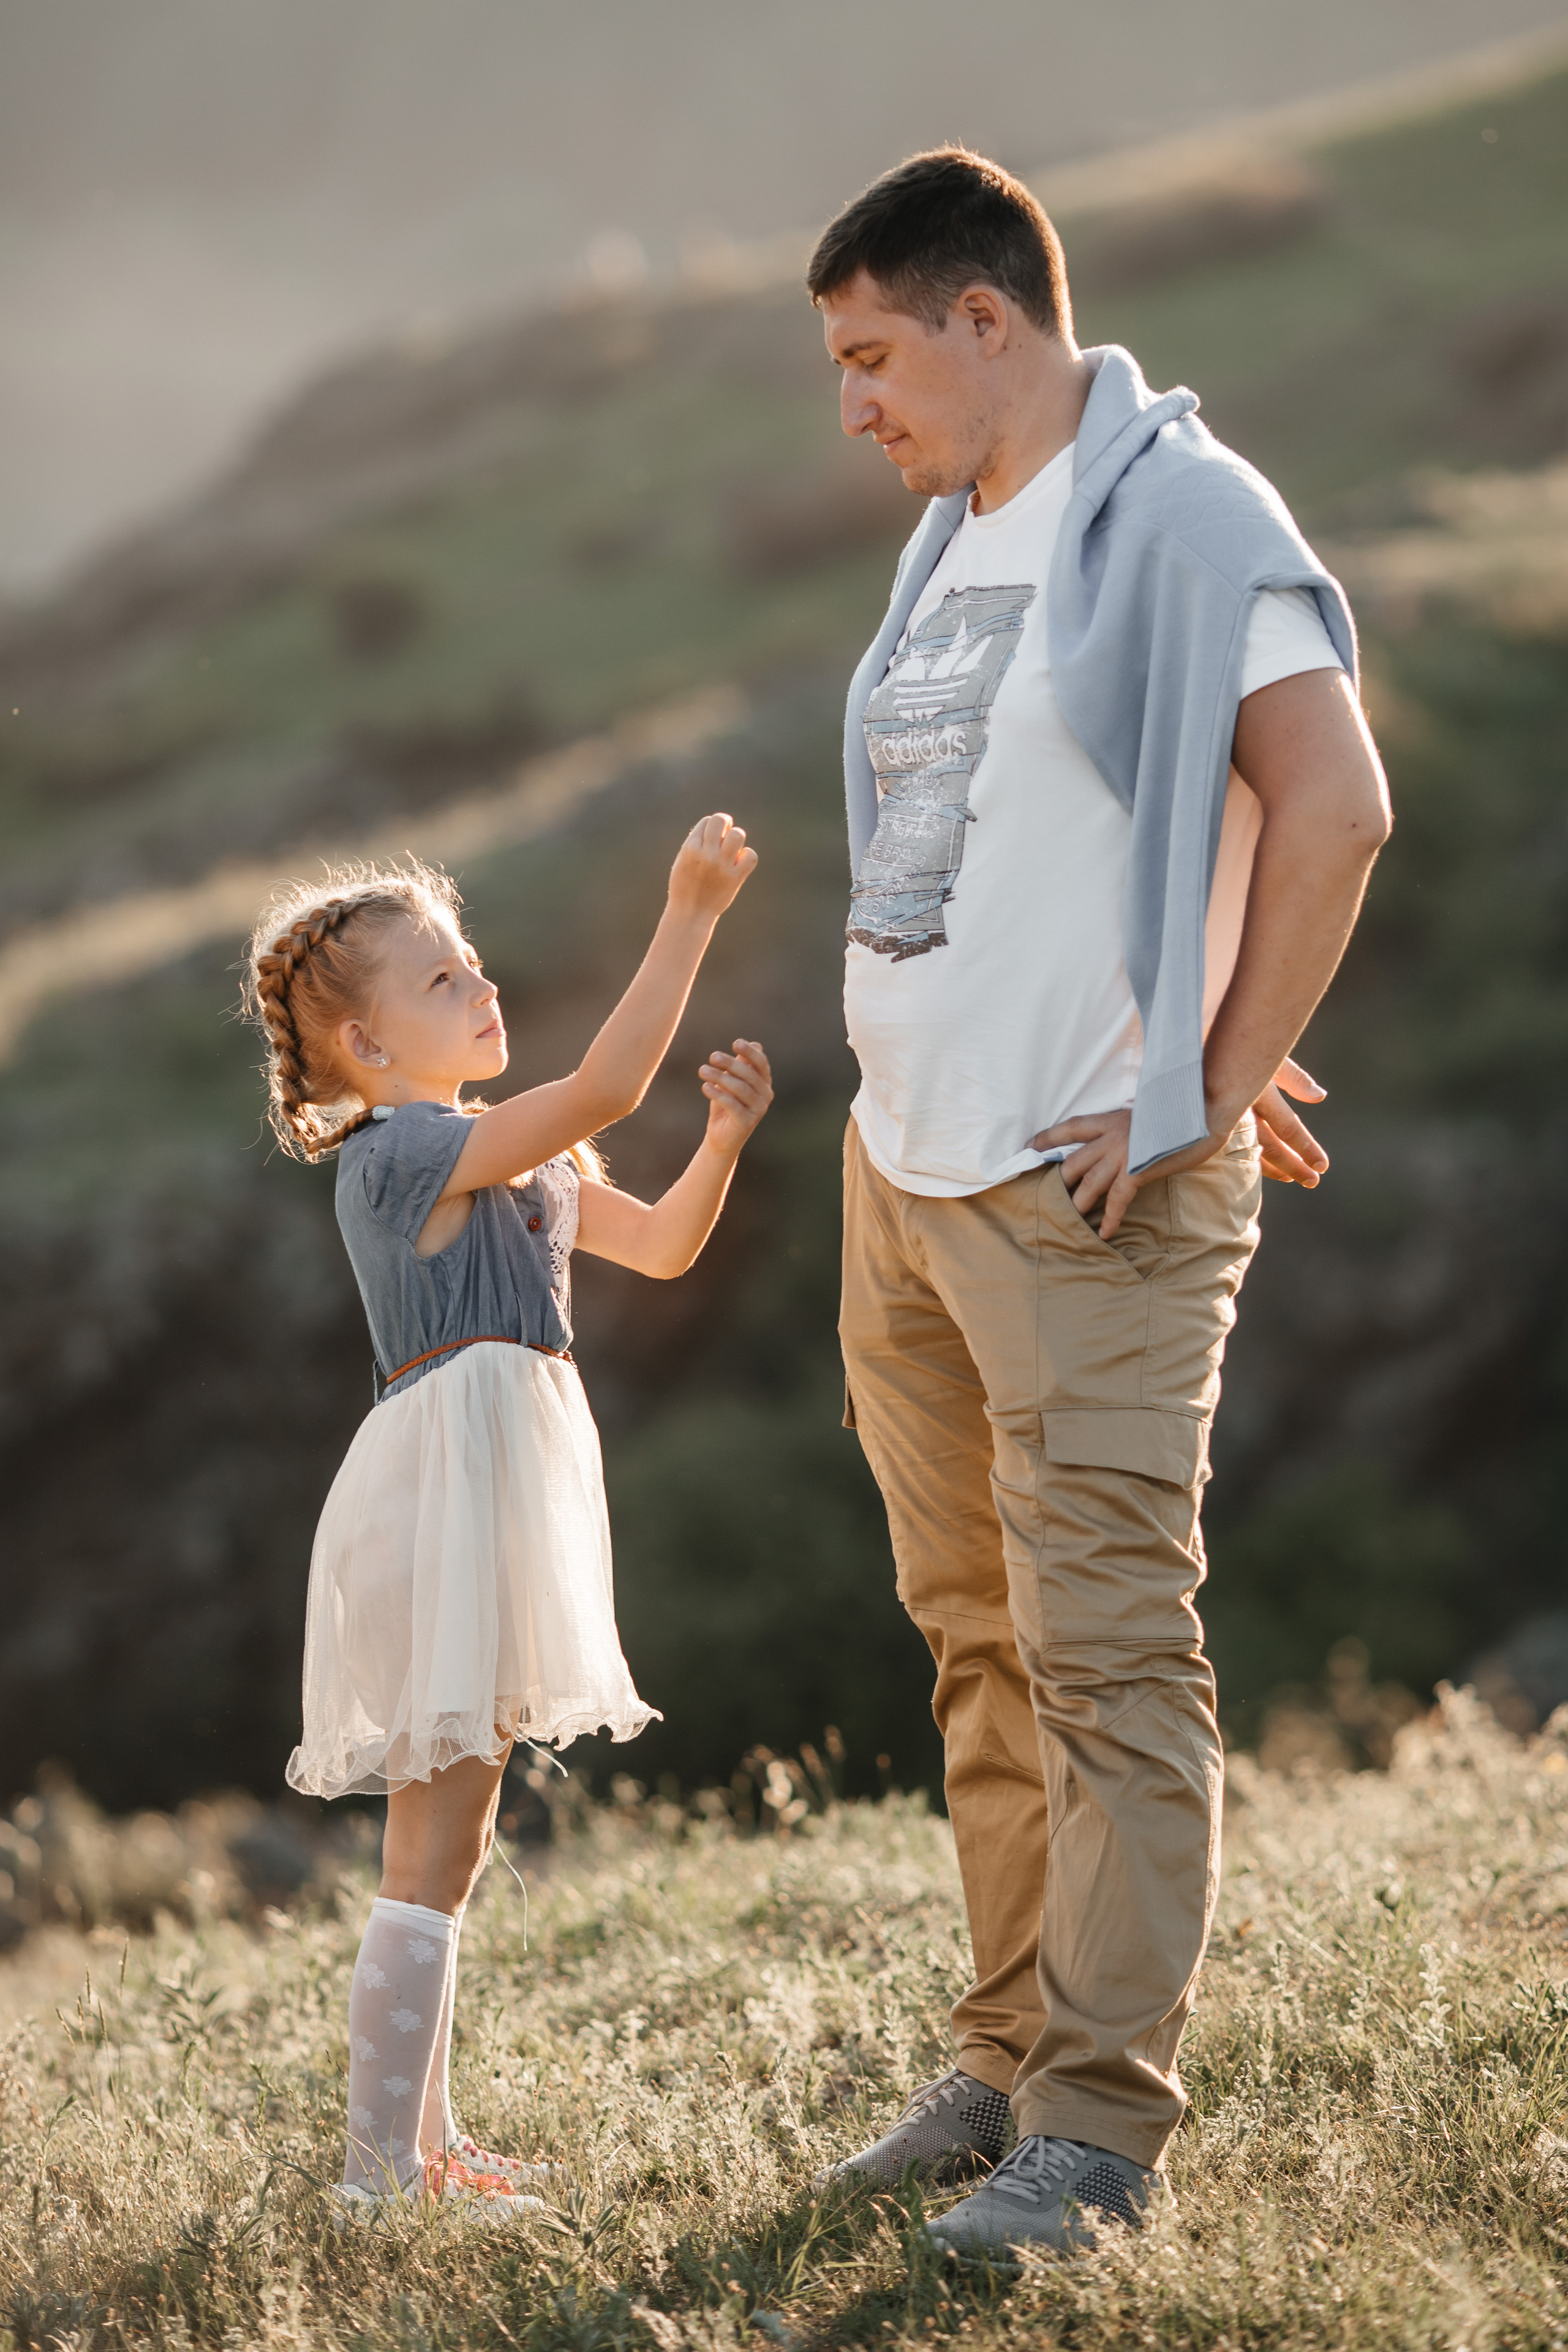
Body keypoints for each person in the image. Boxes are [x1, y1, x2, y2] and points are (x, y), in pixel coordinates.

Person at [808, 150, 1391, 2252]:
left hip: (1085, 1204)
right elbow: (1030, 833)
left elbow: (1334, 805)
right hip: (908, 1176)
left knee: (1108, 1665)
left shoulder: (1188, 512)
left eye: (872, 356)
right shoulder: (958, 535)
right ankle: (1000, 2059)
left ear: (988, 317)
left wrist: (1205, 1079)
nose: (852, 406)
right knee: (978, 1649)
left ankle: (1097, 2136)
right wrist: (1184, 997)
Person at [243, 818, 771, 2220]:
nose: (479, 986)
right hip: (445, 1491)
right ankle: (378, 2177)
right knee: (436, 1838)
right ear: (365, 1052)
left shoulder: (506, 1159)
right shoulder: (405, 1153)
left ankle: (418, 2150)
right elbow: (601, 1085)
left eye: (472, 961)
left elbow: (656, 1245)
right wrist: (689, 912)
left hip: (498, 1476)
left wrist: (718, 1141)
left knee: (457, 1836)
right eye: (437, 982)